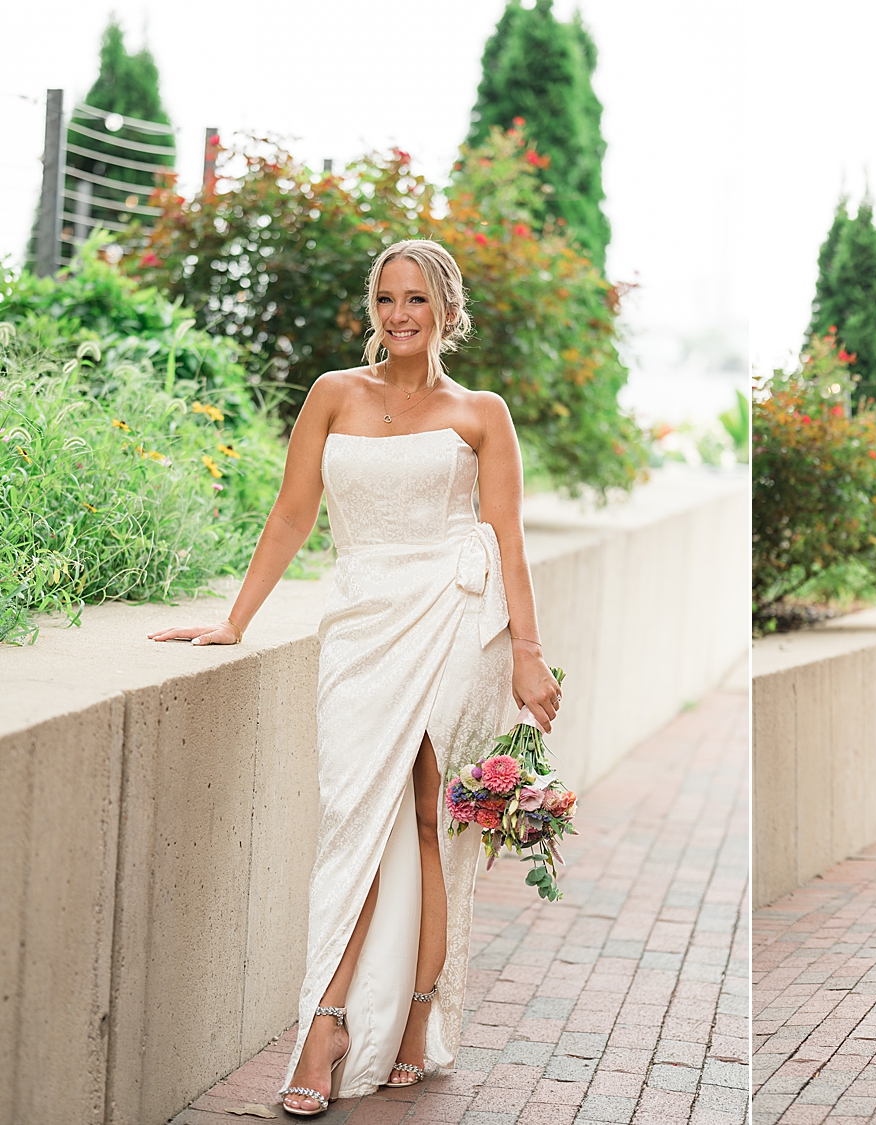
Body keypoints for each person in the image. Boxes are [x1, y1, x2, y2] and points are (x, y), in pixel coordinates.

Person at [147, 240, 562, 1115]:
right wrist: (234, 619)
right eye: (385, 298)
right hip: (362, 620)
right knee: (352, 817)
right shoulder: (333, 395)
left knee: (427, 823)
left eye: (416, 299)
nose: (399, 314)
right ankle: (342, 1015)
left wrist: (527, 652)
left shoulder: (480, 412)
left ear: (446, 310)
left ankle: (351, 1027)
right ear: (372, 308)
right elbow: (293, 512)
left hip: (454, 621)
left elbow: (509, 539)